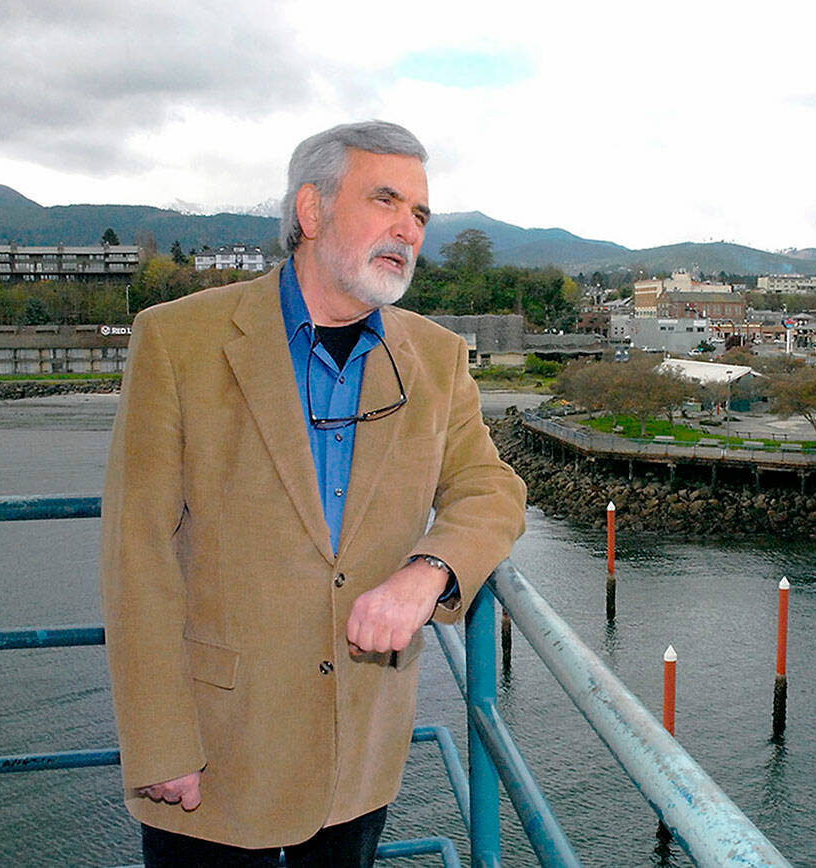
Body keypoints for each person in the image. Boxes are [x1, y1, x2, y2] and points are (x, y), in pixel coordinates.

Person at [100, 121, 527, 867]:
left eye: (420, 213)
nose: (408, 229)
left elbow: (490, 487)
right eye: (385, 200)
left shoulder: (436, 358)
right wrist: (160, 741)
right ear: (311, 210)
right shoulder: (178, 340)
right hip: (215, 757)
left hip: (359, 756)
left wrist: (428, 571)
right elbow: (137, 552)